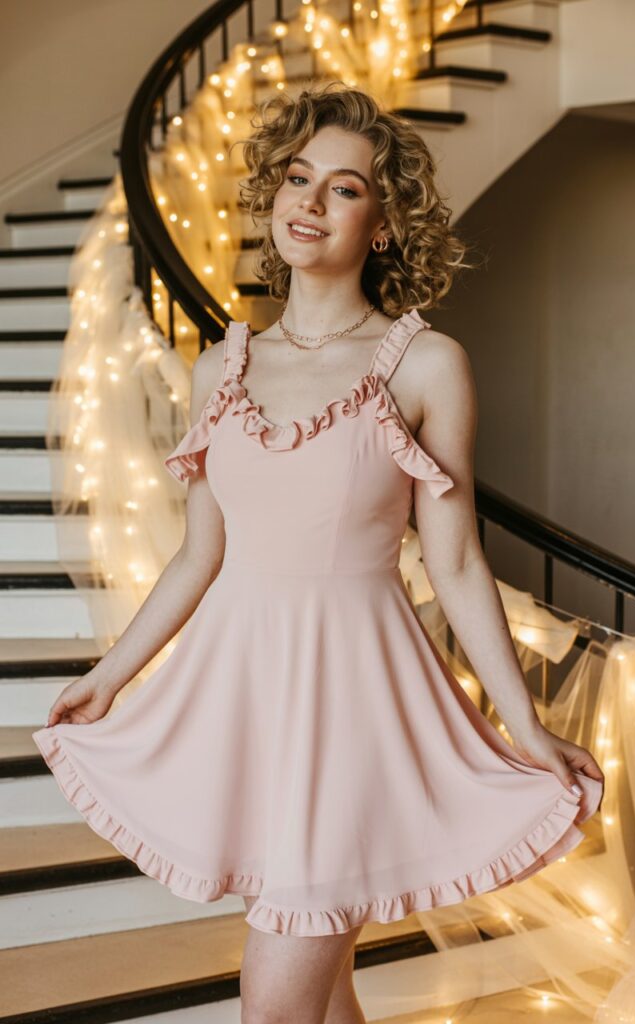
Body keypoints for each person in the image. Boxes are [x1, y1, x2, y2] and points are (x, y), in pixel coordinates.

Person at [33, 84, 605, 1023]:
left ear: (383, 225)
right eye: (298, 178)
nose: (310, 202)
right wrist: (110, 678)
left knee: (276, 1003)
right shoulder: (222, 367)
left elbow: (458, 564)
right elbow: (199, 556)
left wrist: (524, 727)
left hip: (352, 707)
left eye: (345, 188)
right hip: (247, 700)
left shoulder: (426, 364)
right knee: (324, 995)